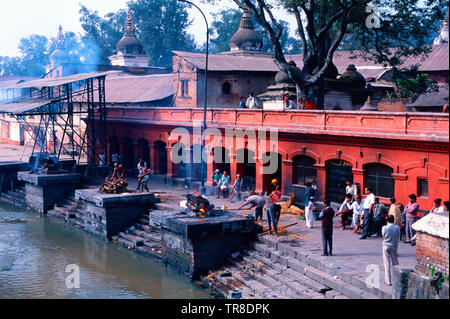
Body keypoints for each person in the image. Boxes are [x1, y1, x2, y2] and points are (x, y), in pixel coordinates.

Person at [382, 215, 400, 286]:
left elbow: (383, 236)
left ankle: (388, 281)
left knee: (387, 264)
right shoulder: (397, 227)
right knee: (395, 263)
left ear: (387, 221)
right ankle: (398, 279)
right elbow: (398, 235)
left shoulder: (384, 227)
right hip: (394, 246)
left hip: (386, 245)